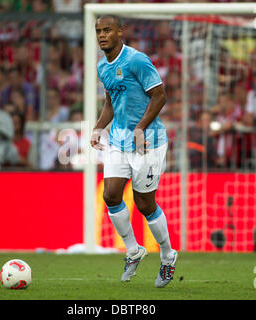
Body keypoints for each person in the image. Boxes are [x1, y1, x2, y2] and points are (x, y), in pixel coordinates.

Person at [90, 15, 177, 288]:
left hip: (148, 141)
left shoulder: (137, 60)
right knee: (111, 194)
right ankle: (133, 250)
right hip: (119, 141)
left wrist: (140, 128)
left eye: (107, 30)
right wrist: (98, 128)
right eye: (98, 31)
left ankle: (167, 256)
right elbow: (110, 101)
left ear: (119, 32)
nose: (102, 35)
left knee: (144, 204)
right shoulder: (102, 66)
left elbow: (160, 95)